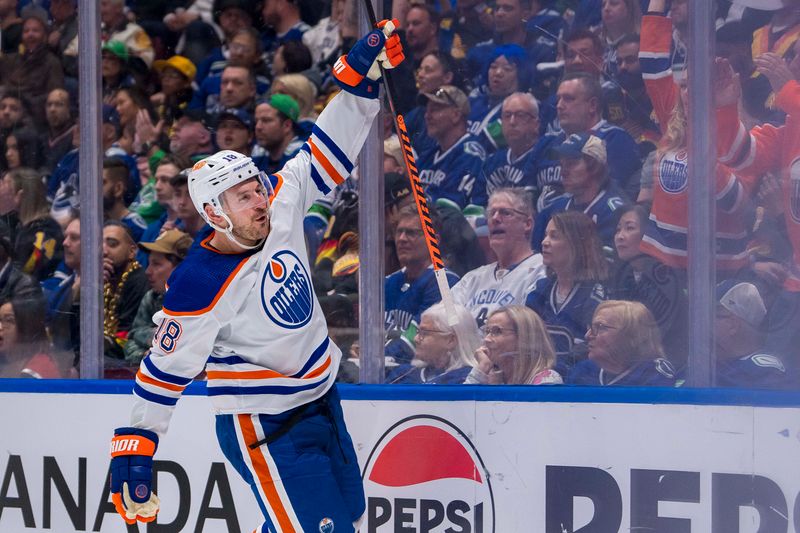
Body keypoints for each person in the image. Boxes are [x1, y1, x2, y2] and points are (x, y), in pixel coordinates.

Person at [107, 20, 404, 531]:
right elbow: (165, 369)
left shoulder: (279, 199)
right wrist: (137, 443)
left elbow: (326, 151)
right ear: (214, 214)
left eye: (256, 187)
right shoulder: (200, 281)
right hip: (263, 424)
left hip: (320, 399)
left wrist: (358, 81)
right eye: (242, 196)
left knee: (346, 518)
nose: (258, 199)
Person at [525, 211, 608, 374]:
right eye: (545, 235)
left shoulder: (594, 294)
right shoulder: (541, 290)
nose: (544, 242)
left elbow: (593, 350)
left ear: (576, 243)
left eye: (554, 236)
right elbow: (523, 336)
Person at [452, 188, 545, 326]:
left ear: (527, 224)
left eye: (505, 213)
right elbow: (444, 320)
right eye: (491, 214)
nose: (495, 218)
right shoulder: (472, 279)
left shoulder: (541, 271)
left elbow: (529, 332)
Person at [607, 203, 687, 364]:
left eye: (629, 228)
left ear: (650, 234)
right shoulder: (622, 278)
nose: (620, 236)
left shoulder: (668, 280)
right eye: (618, 230)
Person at [384, 204, 459, 362]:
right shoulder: (389, 282)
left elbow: (417, 339)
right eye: (399, 232)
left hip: (419, 372)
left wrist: (374, 357)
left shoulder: (445, 282)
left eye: (411, 233)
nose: (402, 239)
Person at [532, 132, 627, 250]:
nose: (563, 172)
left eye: (571, 164)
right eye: (562, 164)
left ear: (594, 167)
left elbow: (605, 264)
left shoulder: (614, 212)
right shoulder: (554, 209)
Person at [566, 300, 677, 386]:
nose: (587, 336)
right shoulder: (582, 372)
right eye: (591, 327)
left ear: (634, 336)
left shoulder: (652, 375)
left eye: (600, 327)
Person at [124, 229, 193, 365]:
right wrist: (145, 355)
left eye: (156, 264)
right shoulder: (152, 297)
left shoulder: (206, 302)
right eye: (149, 263)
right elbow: (131, 339)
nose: (148, 271)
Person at [417, 85, 487, 211]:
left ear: (456, 115)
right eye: (427, 110)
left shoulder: (470, 155)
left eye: (435, 109)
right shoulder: (428, 156)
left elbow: (447, 209)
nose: (427, 116)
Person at [714, 280, 791, 389]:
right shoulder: (714, 364)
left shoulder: (763, 374)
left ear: (732, 324)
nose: (703, 325)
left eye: (712, 316)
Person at [386, 302, 481, 384]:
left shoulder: (467, 380)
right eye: (418, 332)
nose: (416, 339)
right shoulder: (402, 374)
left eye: (424, 333)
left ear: (450, 340)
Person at [466, 305, 562, 385]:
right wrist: (482, 369)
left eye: (497, 331)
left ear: (524, 337)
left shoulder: (547, 381)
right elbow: (462, 406)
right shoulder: (487, 378)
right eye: (487, 331)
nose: (487, 339)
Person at [0, 167, 64, 281]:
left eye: (5, 188)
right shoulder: (18, 227)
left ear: (19, 196)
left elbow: (26, 273)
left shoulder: (45, 232)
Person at [102, 221, 147, 360]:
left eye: (113, 244)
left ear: (132, 251)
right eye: (100, 244)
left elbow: (127, 335)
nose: (103, 251)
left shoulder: (140, 281)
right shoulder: (103, 279)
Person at [0, 295, 67, 379]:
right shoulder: (9, 363)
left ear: (27, 328)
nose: (1, 327)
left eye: (9, 320)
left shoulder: (35, 371)